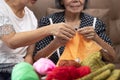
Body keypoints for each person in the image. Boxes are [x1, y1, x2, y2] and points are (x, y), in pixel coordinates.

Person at [0, 0, 76, 80]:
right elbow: (11, 41)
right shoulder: (1, 8)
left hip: (19, 67)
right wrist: (49, 29)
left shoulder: (31, 17)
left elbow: (29, 55)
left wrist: (57, 42)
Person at [34, 0, 116, 64]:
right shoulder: (48, 22)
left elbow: (112, 57)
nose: (75, 0)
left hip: (88, 73)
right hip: (59, 73)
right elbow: (37, 58)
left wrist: (96, 38)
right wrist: (56, 43)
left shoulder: (95, 23)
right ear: (62, 1)